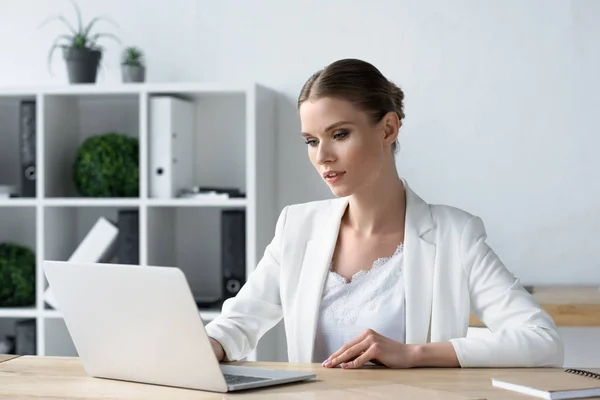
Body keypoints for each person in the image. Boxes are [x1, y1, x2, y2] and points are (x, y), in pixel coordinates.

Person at [205, 58, 563, 369]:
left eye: (339, 134)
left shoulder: (455, 235)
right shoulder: (297, 227)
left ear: (388, 129)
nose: (322, 156)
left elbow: (542, 340)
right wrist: (207, 346)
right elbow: (236, 324)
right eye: (311, 141)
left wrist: (413, 354)